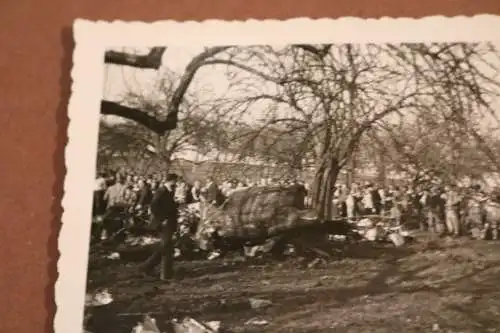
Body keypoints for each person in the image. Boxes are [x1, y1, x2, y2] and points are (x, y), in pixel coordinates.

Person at [142, 173, 179, 279]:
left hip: (169, 223)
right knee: (166, 247)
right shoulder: (161, 191)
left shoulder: (169, 191)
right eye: (175, 181)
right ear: (170, 181)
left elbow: (167, 206)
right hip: (164, 223)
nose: (176, 183)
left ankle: (152, 268)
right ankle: (164, 273)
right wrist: (162, 219)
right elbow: (154, 206)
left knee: (166, 247)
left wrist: (176, 205)